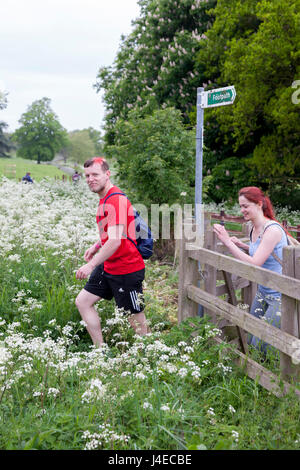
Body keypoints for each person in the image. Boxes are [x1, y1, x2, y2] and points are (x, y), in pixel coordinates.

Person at [75, 157, 148, 347]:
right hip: (109, 265)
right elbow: (115, 231)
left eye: (95, 175)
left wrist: (91, 265)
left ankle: (149, 355)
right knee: (83, 302)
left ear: (107, 174)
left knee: (134, 318)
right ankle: (100, 351)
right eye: (87, 175)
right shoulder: (105, 198)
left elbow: (116, 240)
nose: (90, 179)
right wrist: (97, 246)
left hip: (127, 269)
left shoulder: (116, 200)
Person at [213, 186, 289, 354]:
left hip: (279, 297)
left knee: (261, 343)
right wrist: (242, 245)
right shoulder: (254, 228)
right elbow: (261, 251)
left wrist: (228, 242)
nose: (242, 210)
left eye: (246, 206)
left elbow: (255, 263)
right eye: (241, 206)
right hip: (263, 292)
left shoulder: (273, 230)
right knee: (250, 336)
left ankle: (273, 377)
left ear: (259, 204)